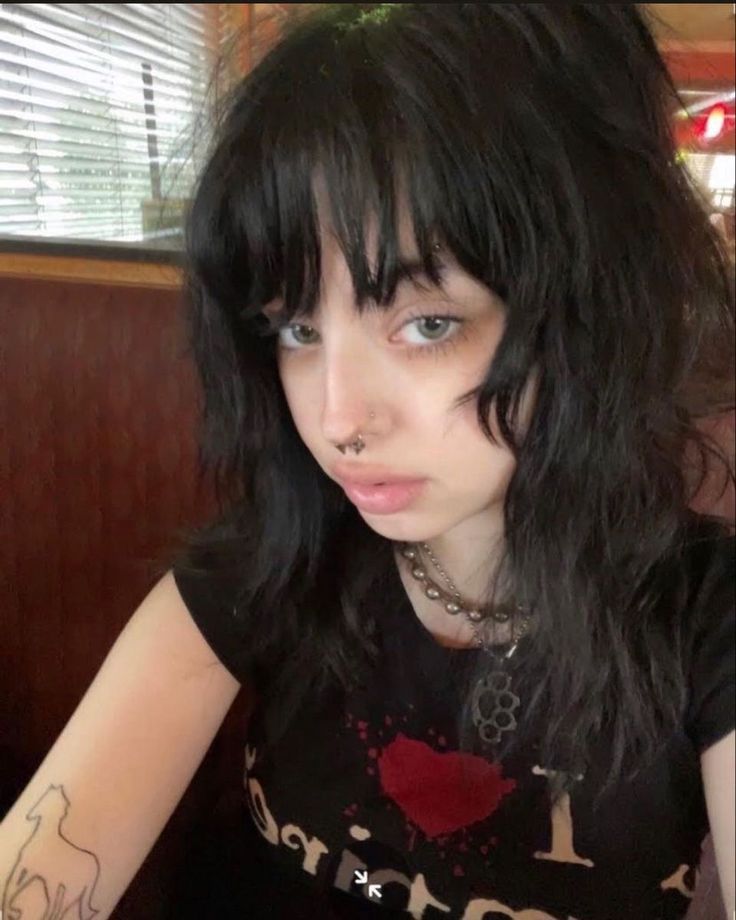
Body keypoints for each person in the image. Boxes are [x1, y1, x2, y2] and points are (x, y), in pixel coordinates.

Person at [1, 4, 734, 919]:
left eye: (427, 324)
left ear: (586, 317)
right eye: (299, 329)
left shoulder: (705, 618)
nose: (338, 418)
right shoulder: (269, 563)